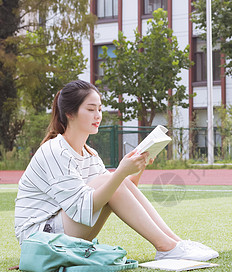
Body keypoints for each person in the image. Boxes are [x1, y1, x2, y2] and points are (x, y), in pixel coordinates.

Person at [14, 80, 218, 261]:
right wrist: (120, 172)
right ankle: (166, 246)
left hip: (63, 229)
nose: (98, 115)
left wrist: (138, 167)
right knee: (110, 179)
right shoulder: (55, 150)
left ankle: (175, 243)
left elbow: (119, 194)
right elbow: (82, 207)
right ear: (70, 114)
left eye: (100, 109)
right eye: (91, 109)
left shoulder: (89, 153)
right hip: (38, 238)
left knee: (112, 180)